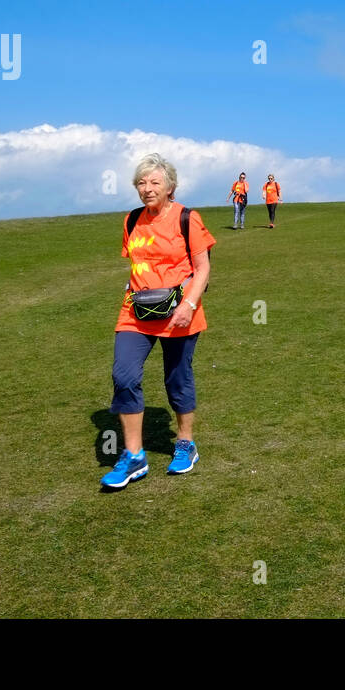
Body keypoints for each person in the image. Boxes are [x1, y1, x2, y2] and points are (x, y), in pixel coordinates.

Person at [103, 153, 216, 489]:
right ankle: (134, 456)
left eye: (154, 182)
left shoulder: (187, 219)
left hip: (181, 313)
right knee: (123, 375)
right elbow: (138, 265)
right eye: (141, 182)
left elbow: (203, 267)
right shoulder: (131, 220)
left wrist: (189, 304)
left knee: (176, 379)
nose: (147, 189)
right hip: (136, 312)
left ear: (170, 187)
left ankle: (185, 443)